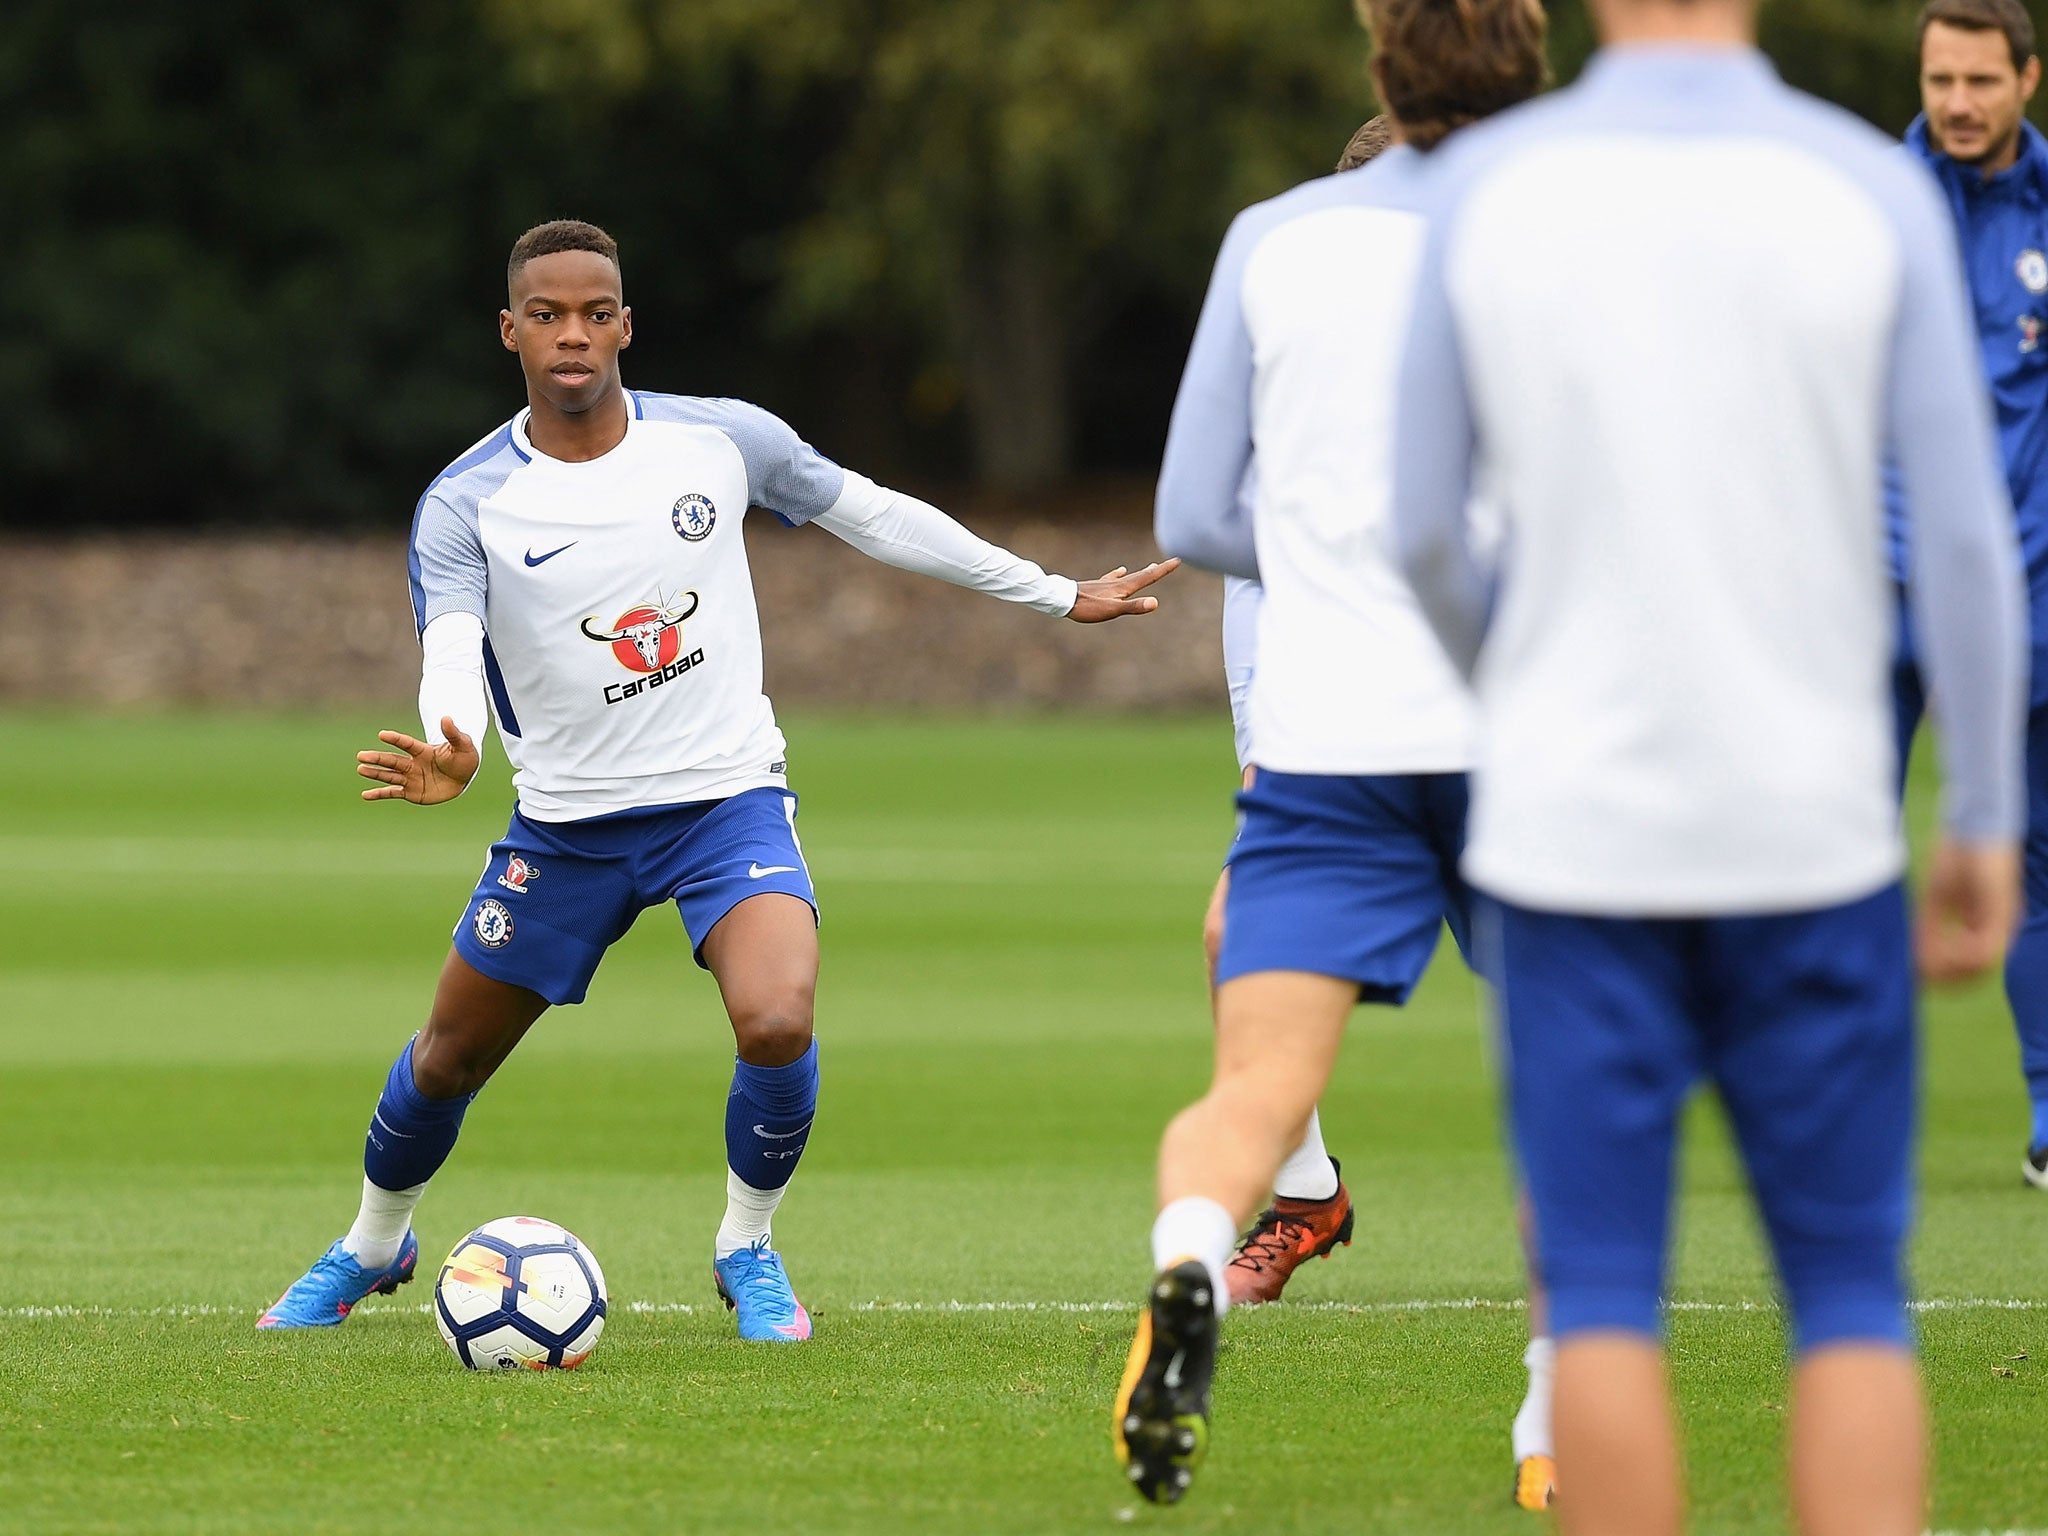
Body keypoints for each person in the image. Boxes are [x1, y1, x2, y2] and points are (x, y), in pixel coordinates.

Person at [257, 219, 1176, 1342]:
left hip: (723, 800)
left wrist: (1049, 590)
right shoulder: (467, 502)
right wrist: (453, 741)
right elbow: (450, 643)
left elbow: (874, 513)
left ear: (626, 325)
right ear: (510, 332)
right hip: (566, 829)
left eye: (596, 312)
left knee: (778, 1018)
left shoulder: (720, 442)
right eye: (546, 315)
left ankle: (747, 1247)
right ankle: (371, 1243)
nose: (573, 334)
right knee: (446, 1056)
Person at [1391, 0, 2026, 1526]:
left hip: (1573, 838)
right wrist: (1986, 811)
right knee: (1848, 1295)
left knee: (1605, 1289)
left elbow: (1418, 527)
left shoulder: (1486, 187)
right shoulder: (1865, 188)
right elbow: (1960, 541)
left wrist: (1520, 685)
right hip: (1810, 827)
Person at [1118, 0, 1550, 1504]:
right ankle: (1550, 1421)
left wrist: (1317, 554)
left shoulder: (1275, 237)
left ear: (1382, 67)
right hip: (1524, 737)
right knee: (1563, 1085)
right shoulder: (1565, 228)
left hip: (1326, 745)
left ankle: (1191, 1260)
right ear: (1534, 60)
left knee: (1253, 1088)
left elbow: (1188, 521)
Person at [1892, 0, 2048, 1188]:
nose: (1955, 102)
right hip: (1871, 599)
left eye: (1979, 81)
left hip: (2028, 600)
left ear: (2026, 80)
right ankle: (1818, 1112)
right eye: (1939, 77)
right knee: (1822, 856)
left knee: (2034, 856)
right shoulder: (1862, 207)